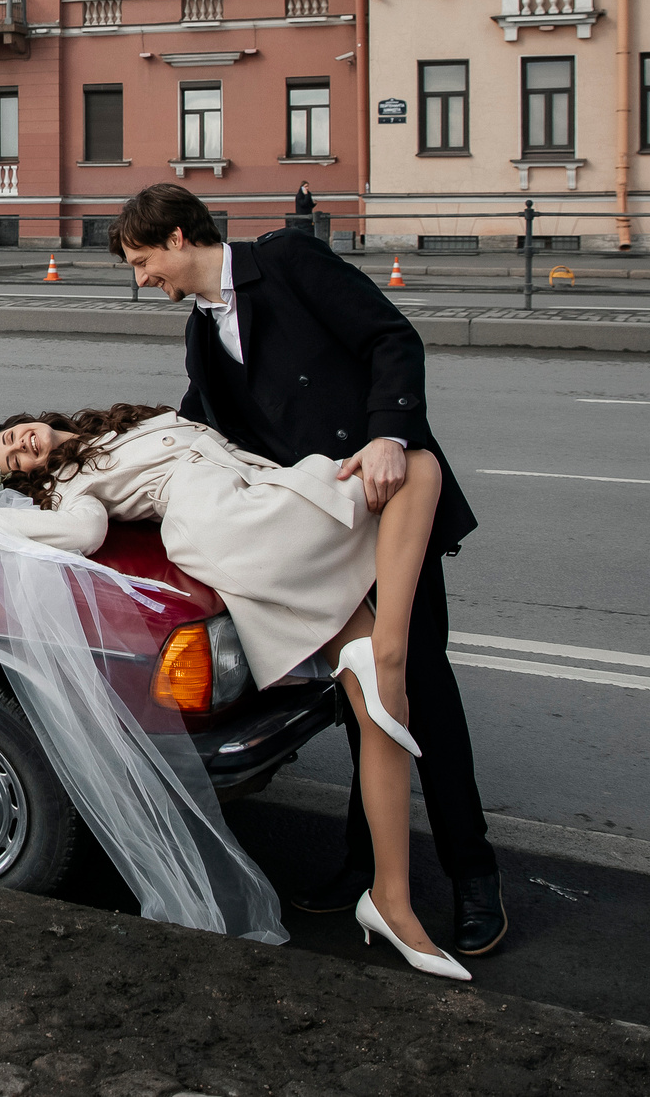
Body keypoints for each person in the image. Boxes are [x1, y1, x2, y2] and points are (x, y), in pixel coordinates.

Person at [112, 182, 505, 958]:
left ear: (182, 236)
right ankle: (368, 874)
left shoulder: (287, 261)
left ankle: (473, 877)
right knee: (363, 705)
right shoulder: (202, 332)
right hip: (318, 535)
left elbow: (391, 339)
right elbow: (194, 426)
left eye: (142, 259)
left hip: (385, 505)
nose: (141, 278)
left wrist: (390, 432)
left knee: (422, 695)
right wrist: (106, 453)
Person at [0, 404, 467, 980]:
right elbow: (85, 531)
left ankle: (389, 900)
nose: (21, 446)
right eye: (14, 460)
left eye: (13, 437)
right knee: (416, 469)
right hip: (229, 527)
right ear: (29, 477)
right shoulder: (71, 481)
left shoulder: (123, 423)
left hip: (264, 495)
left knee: (380, 711)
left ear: (30, 417)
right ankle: (388, 657)